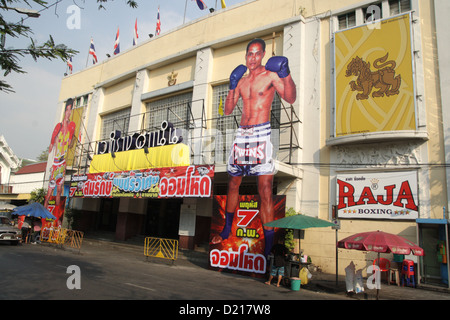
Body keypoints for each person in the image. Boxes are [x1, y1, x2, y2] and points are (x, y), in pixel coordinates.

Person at [211, 39, 297, 257]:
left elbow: (290, 97)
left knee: (265, 189)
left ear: (263, 55)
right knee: (233, 184)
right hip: (242, 135)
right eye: (249, 54)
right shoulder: (241, 82)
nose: (252, 58)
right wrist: (231, 86)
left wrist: (286, 74)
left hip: (261, 133)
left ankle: (268, 246)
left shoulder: (270, 76)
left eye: (257, 54)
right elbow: (228, 110)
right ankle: (227, 228)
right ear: (246, 56)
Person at [44, 99, 76, 210]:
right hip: (56, 162)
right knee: (49, 192)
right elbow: (51, 146)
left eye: (70, 110)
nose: (68, 112)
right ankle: (45, 211)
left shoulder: (72, 126)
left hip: (63, 162)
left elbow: (71, 144)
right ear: (64, 111)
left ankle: (56, 214)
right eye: (67, 109)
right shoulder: (58, 126)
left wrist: (75, 137)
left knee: (58, 190)